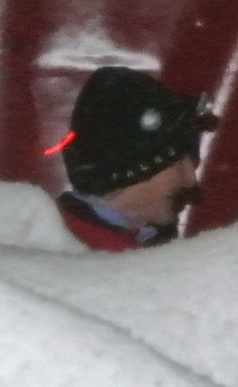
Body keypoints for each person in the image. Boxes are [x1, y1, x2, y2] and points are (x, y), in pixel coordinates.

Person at [51, 66, 210, 251]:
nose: (191, 180)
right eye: (179, 161)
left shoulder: (65, 239)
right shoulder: (73, 257)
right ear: (132, 168)